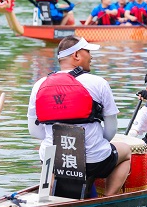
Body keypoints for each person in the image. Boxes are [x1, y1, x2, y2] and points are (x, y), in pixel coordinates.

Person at [27, 36, 131, 198]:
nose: (91, 56)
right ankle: (108, 198)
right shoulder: (99, 83)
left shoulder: (39, 85)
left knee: (48, 151)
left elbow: (35, 132)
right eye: (87, 51)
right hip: (94, 161)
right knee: (127, 152)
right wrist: (94, 143)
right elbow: (111, 131)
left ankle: (47, 196)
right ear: (76, 55)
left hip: (52, 161)